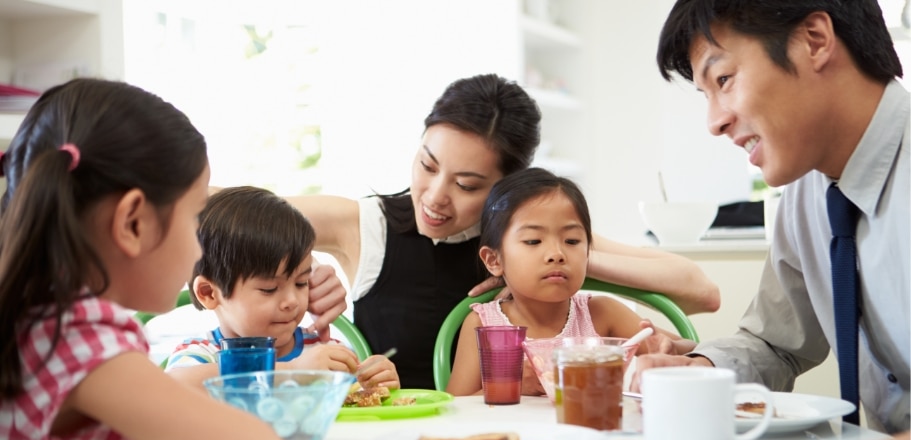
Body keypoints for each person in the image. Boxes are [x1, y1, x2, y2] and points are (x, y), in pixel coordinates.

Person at [285, 73, 720, 389]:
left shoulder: (530, 235)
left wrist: (560, 259)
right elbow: (223, 219)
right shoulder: (365, 224)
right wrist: (300, 270)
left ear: (507, 187)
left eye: (467, 185)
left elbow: (701, 292)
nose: (435, 197)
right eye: (427, 165)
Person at [636, 1, 909, 440]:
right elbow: (776, 344)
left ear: (814, 40)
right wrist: (702, 370)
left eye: (723, 80)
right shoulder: (808, 195)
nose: (714, 122)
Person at [0, 79, 295, 440]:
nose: (197, 250)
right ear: (132, 223)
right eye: (194, 218)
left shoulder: (33, 314)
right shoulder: (72, 333)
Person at [446, 168, 692, 396]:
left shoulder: (602, 314)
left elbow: (691, 349)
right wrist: (512, 385)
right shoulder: (484, 326)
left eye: (572, 241)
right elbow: (456, 406)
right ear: (494, 260)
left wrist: (670, 348)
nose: (557, 253)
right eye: (533, 241)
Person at [164, 186, 399, 390]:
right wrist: (291, 371)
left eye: (301, 283)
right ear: (209, 293)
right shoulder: (201, 355)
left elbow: (357, 403)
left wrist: (374, 381)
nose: (292, 301)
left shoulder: (322, 352)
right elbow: (175, 386)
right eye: (269, 289)